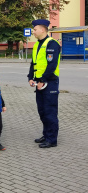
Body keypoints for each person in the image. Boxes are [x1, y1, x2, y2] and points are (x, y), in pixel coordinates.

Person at [28, 19, 61, 148]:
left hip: (49, 83)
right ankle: (46, 134)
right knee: (42, 111)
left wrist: (42, 80)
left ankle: (52, 139)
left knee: (50, 111)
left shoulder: (52, 44)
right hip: (39, 83)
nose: (33, 32)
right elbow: (33, 63)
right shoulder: (37, 44)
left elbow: (51, 65)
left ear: (42, 30)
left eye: (35, 29)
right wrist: (31, 77)